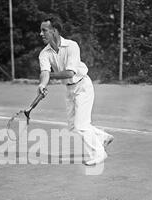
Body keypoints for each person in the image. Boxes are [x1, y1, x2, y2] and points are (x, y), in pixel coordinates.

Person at [38, 16, 114, 166]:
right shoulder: (44, 54)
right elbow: (44, 72)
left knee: (81, 125)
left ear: (55, 31)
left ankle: (99, 153)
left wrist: (48, 76)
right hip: (69, 90)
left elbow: (69, 73)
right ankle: (102, 136)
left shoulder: (72, 46)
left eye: (44, 30)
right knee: (74, 127)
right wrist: (42, 84)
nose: (41, 34)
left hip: (83, 86)